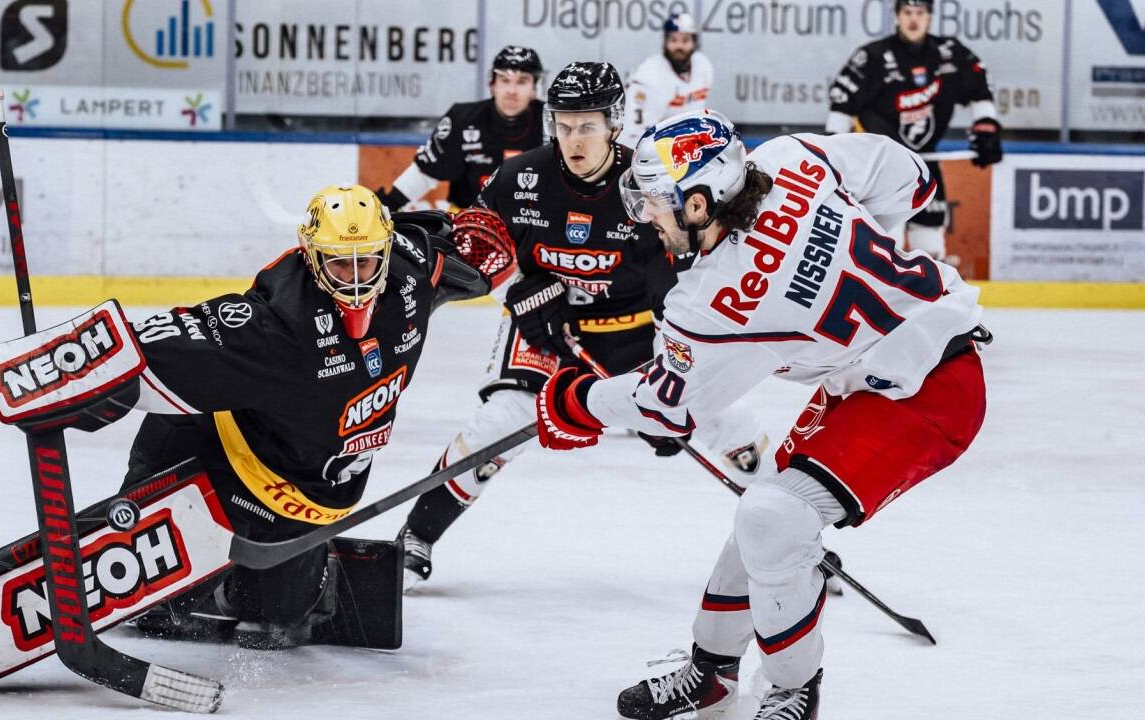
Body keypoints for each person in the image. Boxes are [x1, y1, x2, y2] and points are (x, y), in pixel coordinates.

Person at [0, 188, 515, 701]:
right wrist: (64, 372)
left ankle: (260, 581)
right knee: (124, 567)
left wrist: (495, 256)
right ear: (311, 255)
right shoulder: (276, 326)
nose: (353, 276)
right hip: (210, 457)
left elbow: (458, 253)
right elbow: (159, 342)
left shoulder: (409, 274)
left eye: (365, 259)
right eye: (337, 262)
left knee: (279, 626)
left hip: (304, 500)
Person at [533, 109, 989, 720]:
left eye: (657, 203)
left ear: (699, 206)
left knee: (773, 516)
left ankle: (794, 690)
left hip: (932, 390)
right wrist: (840, 251)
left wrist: (576, 401)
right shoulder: (789, 158)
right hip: (877, 373)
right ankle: (712, 673)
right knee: (766, 519)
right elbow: (912, 177)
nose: (645, 216)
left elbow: (665, 410)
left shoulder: (711, 302)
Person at [398, 63, 775, 592]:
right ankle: (414, 537)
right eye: (564, 125)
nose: (573, 140)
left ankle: (793, 539)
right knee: (499, 423)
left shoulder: (650, 183)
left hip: (638, 330)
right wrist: (516, 290)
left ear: (615, 123)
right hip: (544, 329)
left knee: (723, 419)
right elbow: (473, 248)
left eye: (588, 126)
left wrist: (671, 398)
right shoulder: (520, 177)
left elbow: (680, 290)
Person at [825, 0, 1003, 261]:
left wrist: (986, 127)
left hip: (926, 162)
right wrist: (834, 155)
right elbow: (841, 106)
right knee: (885, 243)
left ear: (929, 17)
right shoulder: (873, 57)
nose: (913, 20)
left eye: (920, 13)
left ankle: (929, 298)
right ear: (897, 16)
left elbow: (980, 89)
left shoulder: (948, 53)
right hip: (882, 168)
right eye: (907, 13)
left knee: (930, 246)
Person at [376, 46, 546, 213]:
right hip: (469, 223)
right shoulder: (463, 119)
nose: (511, 91)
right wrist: (390, 203)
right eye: (504, 80)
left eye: (522, 82)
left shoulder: (551, 123)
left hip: (531, 225)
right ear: (493, 85)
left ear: (534, 89)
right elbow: (427, 173)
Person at [620, 13, 714, 151]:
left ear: (694, 42)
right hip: (653, 150)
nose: (679, 46)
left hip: (684, 145)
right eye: (673, 40)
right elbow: (632, 134)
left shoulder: (703, 66)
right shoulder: (649, 75)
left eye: (685, 40)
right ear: (665, 42)